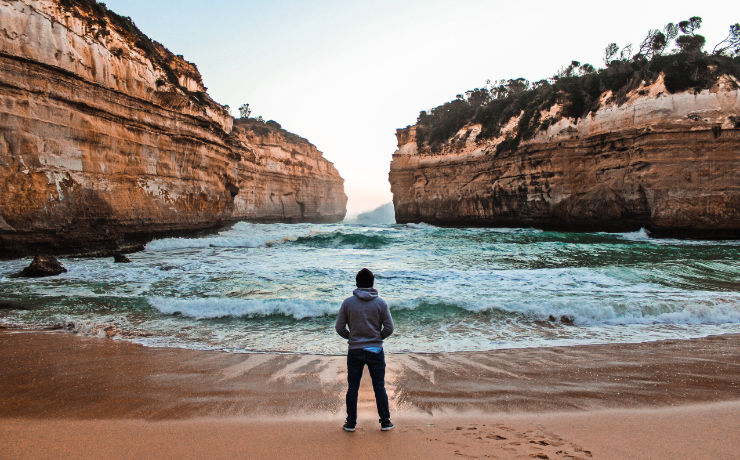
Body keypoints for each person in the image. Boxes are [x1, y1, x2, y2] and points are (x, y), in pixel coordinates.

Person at [335, 268, 394, 432]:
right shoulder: (380, 303)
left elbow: (339, 327)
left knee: (352, 387)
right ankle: (385, 421)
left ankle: (350, 423)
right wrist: (378, 337)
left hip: (355, 350)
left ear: (357, 283)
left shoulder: (348, 303)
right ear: (372, 283)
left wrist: (351, 337)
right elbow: (389, 328)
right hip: (375, 350)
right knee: (379, 387)